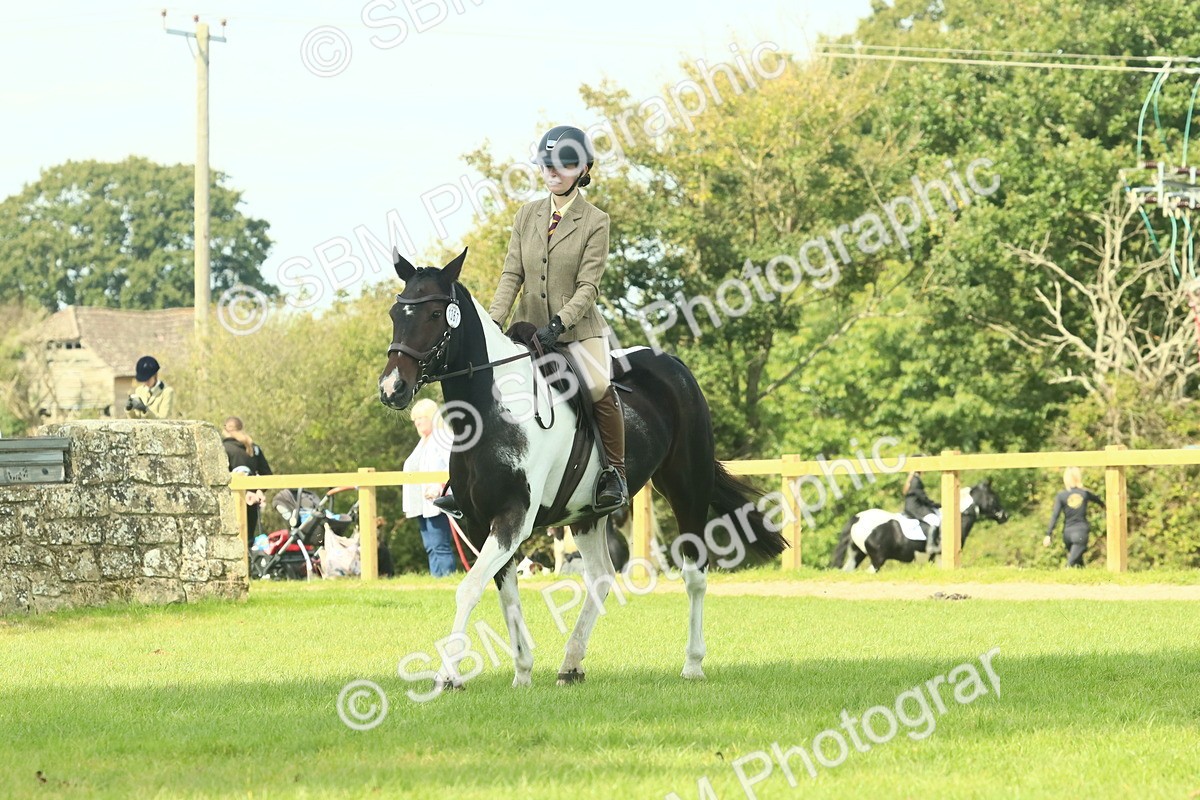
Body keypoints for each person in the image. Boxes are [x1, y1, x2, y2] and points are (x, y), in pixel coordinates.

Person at [486, 124, 627, 512]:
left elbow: (588, 287)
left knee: (599, 386)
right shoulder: (526, 215)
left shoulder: (596, 221)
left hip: (578, 331)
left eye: (562, 165)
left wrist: (560, 324)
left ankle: (613, 472)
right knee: (492, 392)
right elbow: (511, 274)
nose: (552, 172)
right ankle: (470, 475)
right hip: (527, 329)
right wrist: (494, 322)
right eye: (546, 164)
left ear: (582, 169)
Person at [402, 398, 457, 577]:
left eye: (421, 418)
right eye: (415, 419)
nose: (417, 422)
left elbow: (453, 466)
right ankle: (436, 580)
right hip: (422, 503)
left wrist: (439, 486)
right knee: (431, 546)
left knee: (440, 545)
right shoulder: (423, 442)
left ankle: (447, 580)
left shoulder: (443, 437)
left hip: (438, 500)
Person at [222, 416, 272, 542]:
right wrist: (260, 490)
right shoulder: (254, 448)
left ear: (225, 429)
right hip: (252, 502)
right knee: (248, 541)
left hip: (229, 503)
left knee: (230, 541)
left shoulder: (222, 449)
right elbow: (267, 475)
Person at [1044, 467, 1105, 568]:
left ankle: (1083, 579)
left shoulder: (1061, 495)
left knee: (1079, 562)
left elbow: (1055, 515)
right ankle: (1064, 577)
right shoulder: (1085, 493)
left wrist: (1048, 534)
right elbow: (1100, 501)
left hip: (1067, 534)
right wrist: (1106, 508)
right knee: (1071, 563)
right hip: (1081, 533)